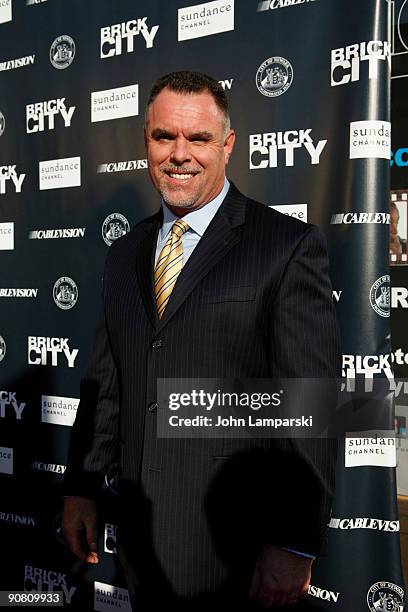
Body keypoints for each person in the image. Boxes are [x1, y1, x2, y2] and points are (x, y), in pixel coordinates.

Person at [63, 71, 341, 611]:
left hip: (236, 551)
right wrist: (83, 485)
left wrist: (293, 539)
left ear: (228, 146)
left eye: (199, 138)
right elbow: (108, 380)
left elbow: (310, 403)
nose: (179, 154)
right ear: (145, 141)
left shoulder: (285, 246)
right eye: (164, 136)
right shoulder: (125, 254)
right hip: (140, 538)